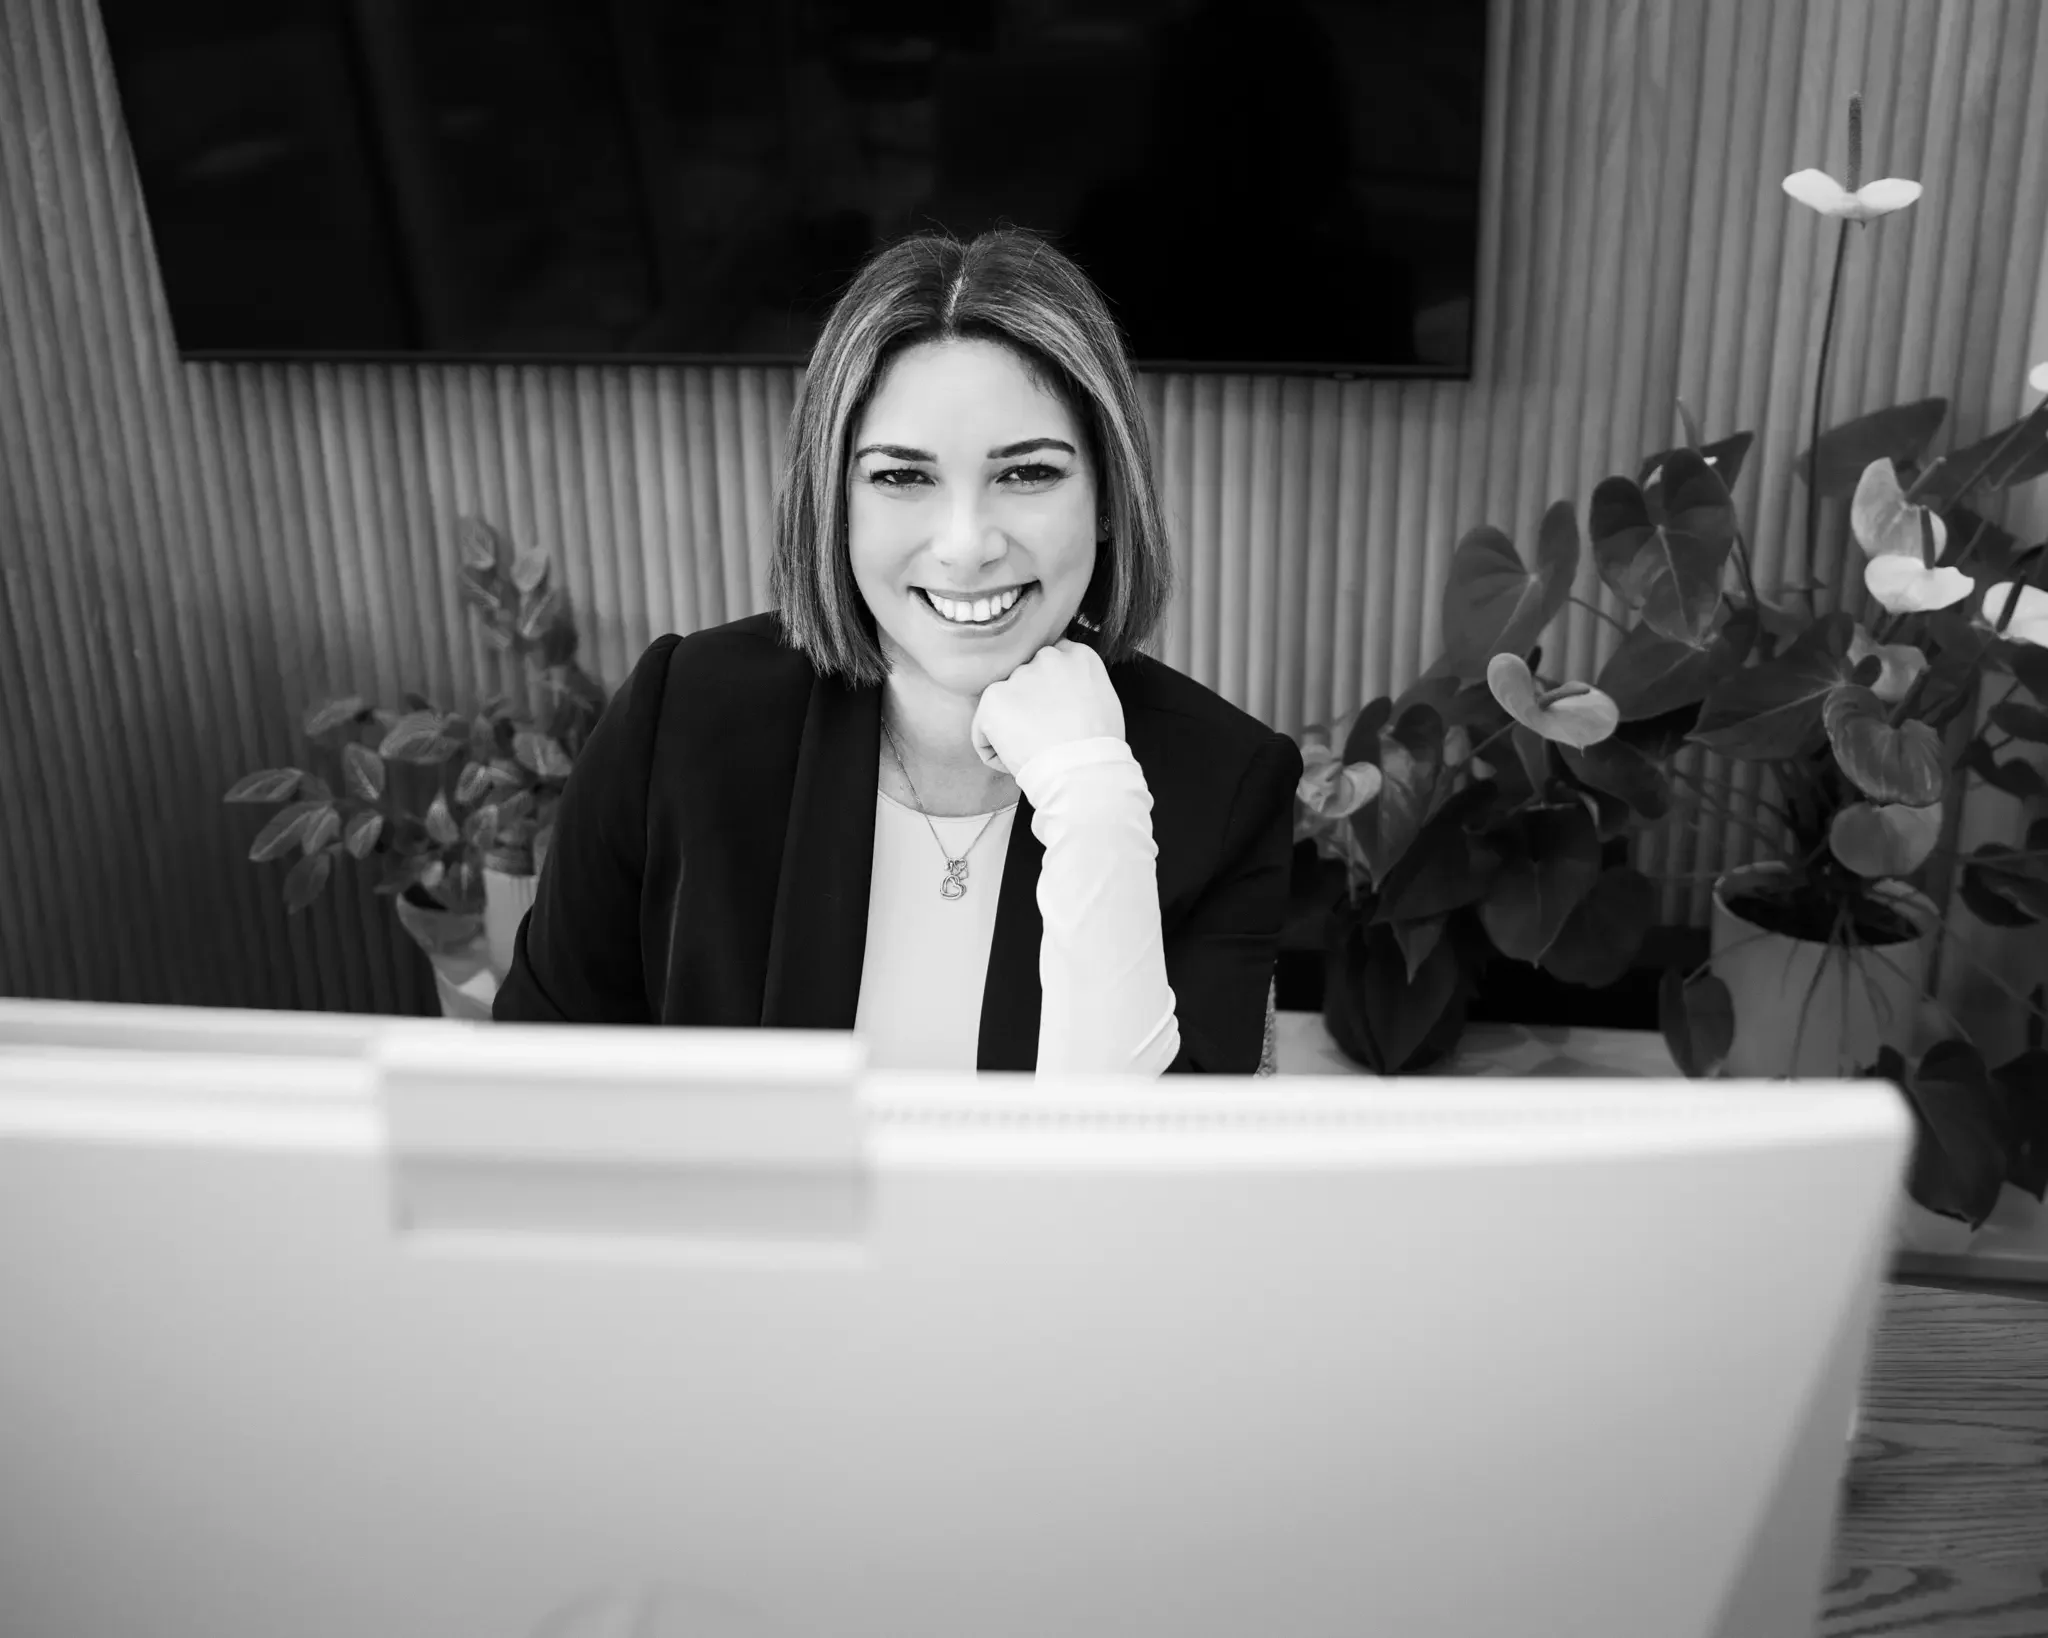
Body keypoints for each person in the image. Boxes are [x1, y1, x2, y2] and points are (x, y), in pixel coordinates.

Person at [493, 227, 1302, 1073]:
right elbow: (532, 1091)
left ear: (1107, 498)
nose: (966, 546)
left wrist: (1093, 802)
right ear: (835, 504)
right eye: (902, 476)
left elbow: (1135, 1153)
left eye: (1027, 473)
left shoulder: (1227, 787)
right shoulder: (682, 717)